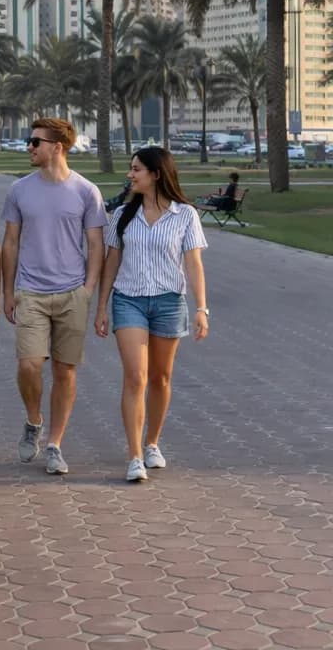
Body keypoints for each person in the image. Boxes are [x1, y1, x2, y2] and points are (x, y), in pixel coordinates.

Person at [94, 147, 209, 481]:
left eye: (136, 170)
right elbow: (111, 261)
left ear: (156, 174)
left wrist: (201, 308)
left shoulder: (184, 215)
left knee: (160, 378)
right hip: (128, 300)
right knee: (136, 376)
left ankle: (152, 443)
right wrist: (101, 306)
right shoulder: (122, 216)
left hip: (169, 303)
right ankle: (133, 456)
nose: (130, 175)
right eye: (131, 169)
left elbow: (193, 263)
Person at [2, 117, 106, 475]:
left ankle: (55, 444)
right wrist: (7, 291)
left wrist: (88, 289)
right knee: (29, 364)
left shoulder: (86, 192)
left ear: (57, 147)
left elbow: (96, 245)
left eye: (35, 142)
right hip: (30, 291)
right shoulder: (19, 190)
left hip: (71, 293)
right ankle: (34, 421)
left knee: (65, 371)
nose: (29, 147)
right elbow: (10, 242)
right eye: (29, 141)